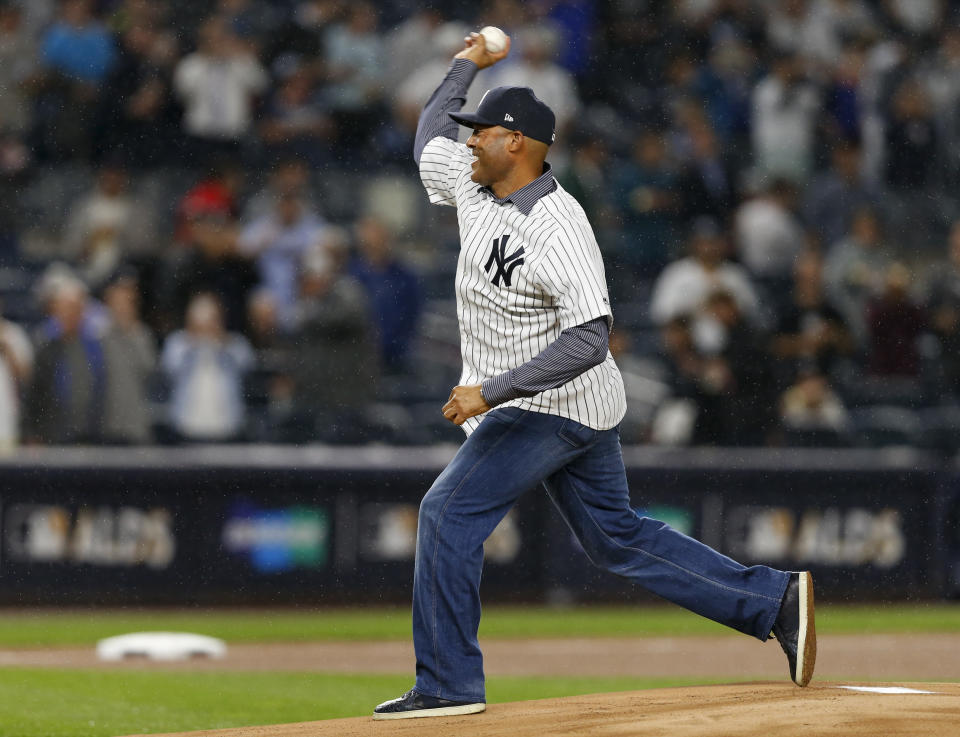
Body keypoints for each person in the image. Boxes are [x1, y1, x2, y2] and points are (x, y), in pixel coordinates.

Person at [373, 31, 816, 721]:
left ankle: (449, 684)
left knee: (446, 514)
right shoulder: (471, 182)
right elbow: (427, 131)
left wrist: (490, 391)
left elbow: (588, 337)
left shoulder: (559, 224)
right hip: (565, 404)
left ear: (516, 142)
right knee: (617, 536)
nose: (467, 142)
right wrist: (467, 65)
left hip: (551, 404)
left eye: (481, 133)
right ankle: (772, 600)